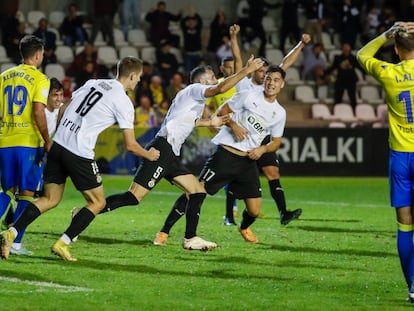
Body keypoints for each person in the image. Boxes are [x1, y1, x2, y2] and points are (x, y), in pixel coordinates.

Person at [153, 28, 309, 246]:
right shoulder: (248, 95)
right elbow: (222, 112)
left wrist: (262, 150)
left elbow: (276, 142)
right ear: (264, 81)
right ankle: (164, 231)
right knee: (195, 192)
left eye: (276, 80)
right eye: (268, 79)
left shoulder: (279, 113)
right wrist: (234, 125)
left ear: (282, 84)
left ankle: (244, 227)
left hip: (248, 161)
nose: (271, 82)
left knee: (254, 210)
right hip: (226, 155)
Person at [95, 56, 264, 251]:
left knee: (197, 191)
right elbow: (220, 89)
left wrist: (209, 123)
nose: (215, 79)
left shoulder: (192, 98)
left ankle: (191, 238)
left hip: (170, 153)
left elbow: (182, 120)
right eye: (211, 77)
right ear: (202, 81)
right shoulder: (195, 90)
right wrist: (246, 70)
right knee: (134, 197)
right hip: (162, 149)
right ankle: (88, 212)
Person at [0, 56, 161, 261]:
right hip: (79, 153)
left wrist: (58, 134)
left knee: (49, 199)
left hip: (59, 146)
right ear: (132, 75)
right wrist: (149, 154)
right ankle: (63, 243)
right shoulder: (124, 101)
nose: (139, 81)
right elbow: (130, 145)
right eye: (139, 78)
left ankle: (10, 233)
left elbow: (65, 106)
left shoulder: (93, 83)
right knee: (97, 202)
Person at [224, 25, 305, 226]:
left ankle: (283, 212)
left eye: (265, 72)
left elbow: (286, 63)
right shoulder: (244, 84)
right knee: (233, 176)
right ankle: (228, 214)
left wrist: (301, 44)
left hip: (262, 138)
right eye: (260, 71)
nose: (263, 74)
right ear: (254, 71)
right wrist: (234, 37)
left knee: (273, 173)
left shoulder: (270, 85)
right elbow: (237, 59)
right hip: (242, 136)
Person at [357, 21, 414, 303]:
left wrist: (385, 33)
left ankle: (413, 287)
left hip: (401, 157)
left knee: (405, 225)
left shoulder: (389, 73)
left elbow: (362, 55)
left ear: (396, 49)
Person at [0, 35, 51, 256]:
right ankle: (16, 243)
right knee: (27, 194)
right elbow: (38, 110)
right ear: (38, 55)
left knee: (7, 191)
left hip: (5, 141)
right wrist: (47, 140)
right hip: (28, 143)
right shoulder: (40, 79)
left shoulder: (3, 76)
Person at [325, 42, 362, 112]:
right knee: (338, 97)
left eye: (347, 47)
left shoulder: (353, 58)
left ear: (350, 48)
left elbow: (359, 67)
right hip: (341, 80)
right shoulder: (338, 58)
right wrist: (324, 73)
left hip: (351, 80)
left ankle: (354, 112)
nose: (346, 49)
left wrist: (368, 72)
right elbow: (333, 67)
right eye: (344, 47)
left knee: (352, 97)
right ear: (342, 49)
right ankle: (337, 111)